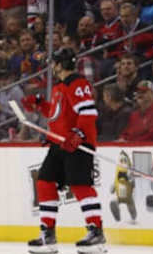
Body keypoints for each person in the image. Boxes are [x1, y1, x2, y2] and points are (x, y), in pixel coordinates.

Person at [21, 48, 106, 254]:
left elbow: (88, 112)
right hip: (59, 144)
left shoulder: (76, 83)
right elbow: (57, 114)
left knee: (80, 185)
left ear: (60, 64)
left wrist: (78, 135)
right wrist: (41, 105)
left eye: (54, 63)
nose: (52, 66)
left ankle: (96, 232)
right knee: (44, 182)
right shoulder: (60, 86)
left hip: (77, 144)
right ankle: (48, 235)